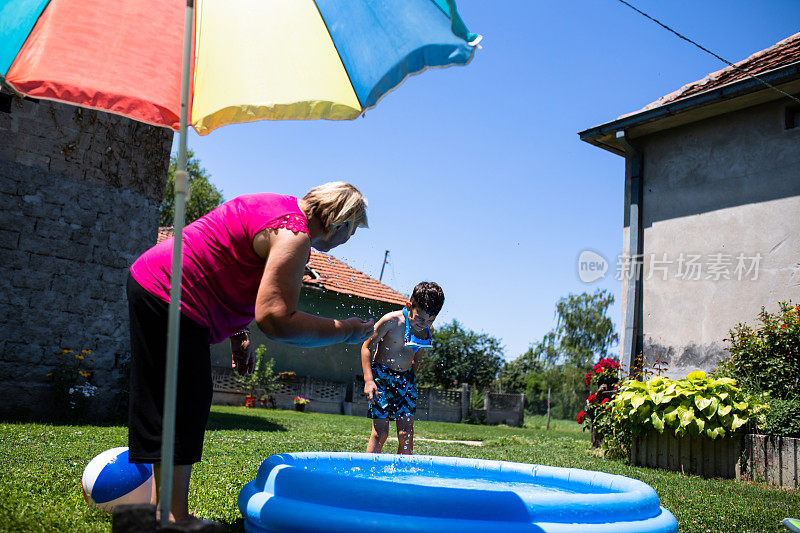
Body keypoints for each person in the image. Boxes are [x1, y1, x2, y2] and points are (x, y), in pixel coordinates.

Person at [127, 182, 373, 522]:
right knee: (183, 401)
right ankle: (172, 518)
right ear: (341, 222)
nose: (349, 239)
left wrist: (238, 332)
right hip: (171, 292)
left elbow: (227, 259)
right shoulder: (294, 235)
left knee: (174, 400)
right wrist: (344, 330)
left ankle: (161, 510)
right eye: (352, 231)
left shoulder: (277, 207)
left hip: (156, 282)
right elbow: (275, 319)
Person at [360, 282, 444, 454]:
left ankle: (403, 475)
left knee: (406, 434)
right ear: (409, 306)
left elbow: (418, 354)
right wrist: (369, 380)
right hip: (381, 379)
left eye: (430, 320)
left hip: (406, 380)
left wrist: (412, 378)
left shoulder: (428, 330)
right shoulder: (391, 321)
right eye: (420, 318)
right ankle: (367, 474)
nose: (424, 323)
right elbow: (366, 347)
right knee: (381, 433)